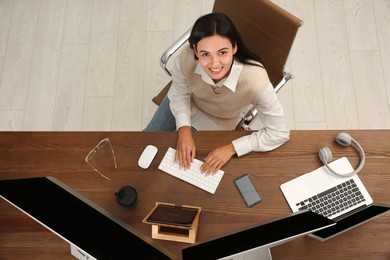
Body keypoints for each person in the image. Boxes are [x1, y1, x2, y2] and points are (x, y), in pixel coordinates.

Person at [144, 13, 289, 174]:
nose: (214, 64)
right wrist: (183, 130)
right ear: (195, 51)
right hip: (187, 101)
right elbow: (179, 94)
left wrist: (232, 148)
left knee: (174, 167)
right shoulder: (186, 57)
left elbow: (279, 133)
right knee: (143, 143)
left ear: (234, 47)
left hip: (218, 119)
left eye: (222, 52)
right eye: (205, 54)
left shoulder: (255, 81)